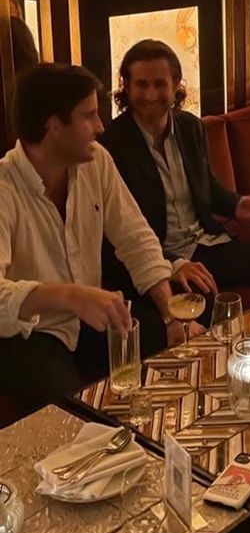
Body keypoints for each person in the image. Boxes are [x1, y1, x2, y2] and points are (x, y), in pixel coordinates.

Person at [0, 63, 191, 413]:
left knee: (183, 355)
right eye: (89, 116)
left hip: (90, 318)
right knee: (78, 420)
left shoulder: (96, 162)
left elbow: (135, 237)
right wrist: (72, 297)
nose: (101, 127)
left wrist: (169, 310)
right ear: (54, 126)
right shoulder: (4, 188)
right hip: (27, 336)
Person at [100, 39, 250, 298]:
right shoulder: (112, 143)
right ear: (127, 87)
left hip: (209, 243)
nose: (150, 95)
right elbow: (119, 231)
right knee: (210, 308)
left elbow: (207, 189)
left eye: (160, 84)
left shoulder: (191, 128)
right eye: (141, 85)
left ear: (176, 85)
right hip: (162, 262)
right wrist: (173, 264)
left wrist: (237, 204)